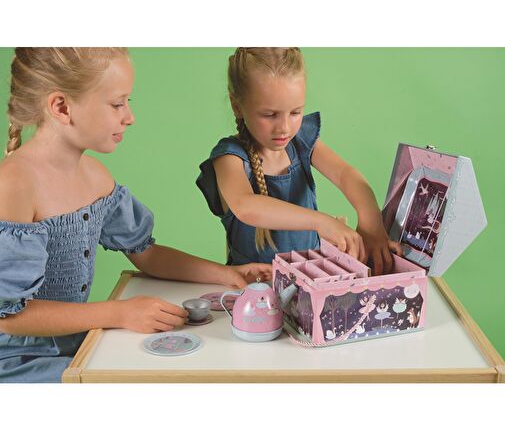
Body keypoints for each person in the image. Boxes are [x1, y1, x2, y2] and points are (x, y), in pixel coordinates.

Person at [0, 48, 270, 383]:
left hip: (78, 347)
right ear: (62, 107)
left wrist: (226, 274)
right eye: (117, 104)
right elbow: (9, 317)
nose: (129, 117)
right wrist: (119, 313)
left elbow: (147, 253)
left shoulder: (95, 177)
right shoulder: (14, 185)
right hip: (16, 363)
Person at [197, 47, 402, 272]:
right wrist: (321, 222)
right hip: (255, 288)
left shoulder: (302, 141)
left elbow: (345, 175)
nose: (284, 127)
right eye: (270, 115)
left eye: (295, 112)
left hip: (313, 281)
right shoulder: (229, 157)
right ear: (237, 106)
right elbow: (246, 206)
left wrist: (371, 221)